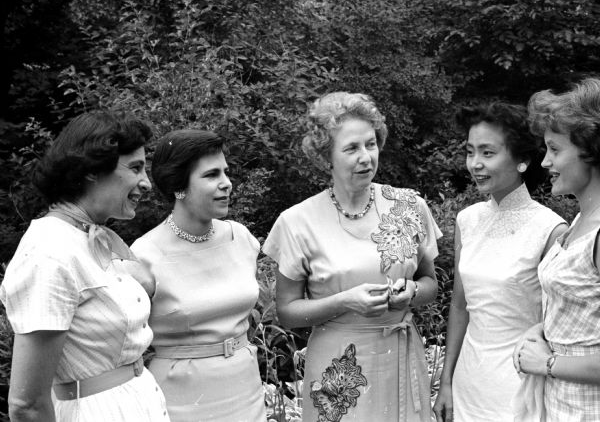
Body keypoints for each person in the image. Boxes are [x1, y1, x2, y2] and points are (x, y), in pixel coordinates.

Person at [262, 92, 441, 422]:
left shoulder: (409, 206)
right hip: (338, 370)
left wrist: (412, 293)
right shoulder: (297, 221)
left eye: (371, 144)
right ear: (326, 156)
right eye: (351, 148)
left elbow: (430, 283)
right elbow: (287, 312)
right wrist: (344, 302)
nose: (366, 157)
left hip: (401, 357)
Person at [0, 111, 170, 422]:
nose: (146, 183)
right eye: (135, 168)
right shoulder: (49, 253)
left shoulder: (92, 238)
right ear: (92, 170)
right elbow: (27, 405)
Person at [433, 102, 566, 422]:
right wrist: (446, 382)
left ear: (521, 160)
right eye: (470, 152)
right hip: (468, 382)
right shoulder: (468, 220)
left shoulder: (551, 230)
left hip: (518, 387)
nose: (475, 164)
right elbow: (460, 307)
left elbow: (557, 324)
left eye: (488, 153)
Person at [130, 129, 267, 422]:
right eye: (212, 175)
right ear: (179, 186)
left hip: (245, 388)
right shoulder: (145, 255)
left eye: (226, 173)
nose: (226, 184)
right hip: (183, 400)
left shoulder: (241, 238)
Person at [514, 78, 600, 421]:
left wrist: (547, 363)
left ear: (591, 150)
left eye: (555, 149)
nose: (546, 162)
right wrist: (543, 331)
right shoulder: (581, 220)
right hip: (560, 407)